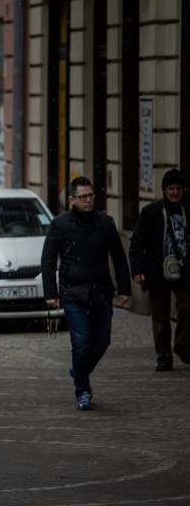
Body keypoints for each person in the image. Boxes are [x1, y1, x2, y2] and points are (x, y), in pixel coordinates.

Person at [41, 176, 131, 411]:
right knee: (80, 343)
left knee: (101, 342)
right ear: (72, 199)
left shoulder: (105, 223)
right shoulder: (60, 225)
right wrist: (51, 293)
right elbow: (48, 261)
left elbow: (119, 258)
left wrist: (124, 289)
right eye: (83, 197)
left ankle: (78, 370)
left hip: (101, 292)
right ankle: (83, 390)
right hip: (74, 293)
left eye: (91, 195)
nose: (88, 200)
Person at [129, 169, 190, 371]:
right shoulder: (152, 211)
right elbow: (137, 241)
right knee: (160, 316)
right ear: (164, 191)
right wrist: (137, 269)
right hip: (157, 271)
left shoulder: (187, 209)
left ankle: (181, 345)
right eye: (171, 189)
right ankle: (163, 357)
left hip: (184, 270)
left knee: (187, 307)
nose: (174, 192)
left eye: (178, 188)